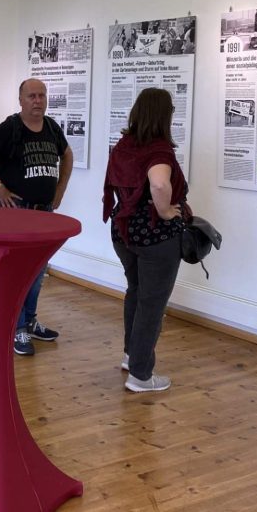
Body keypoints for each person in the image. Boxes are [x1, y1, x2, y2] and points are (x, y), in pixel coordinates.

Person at [0, 78, 73, 357]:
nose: (38, 100)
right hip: (16, 212)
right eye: (32, 96)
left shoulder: (52, 127)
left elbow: (67, 156)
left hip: (44, 214)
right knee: (16, 273)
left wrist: (60, 190)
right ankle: (16, 329)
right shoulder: (10, 128)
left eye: (42, 95)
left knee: (37, 273)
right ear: (21, 100)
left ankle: (29, 321)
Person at [103, 87, 190, 393]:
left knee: (137, 292)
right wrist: (165, 210)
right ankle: (141, 375)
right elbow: (159, 182)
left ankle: (131, 355)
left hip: (123, 231)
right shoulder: (159, 150)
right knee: (152, 303)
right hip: (154, 235)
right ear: (164, 116)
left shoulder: (125, 145)